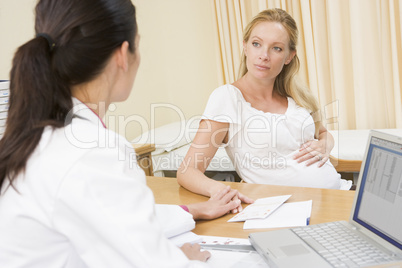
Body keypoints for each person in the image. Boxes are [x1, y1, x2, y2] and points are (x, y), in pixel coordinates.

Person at [0, 0, 241, 267]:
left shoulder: (38, 134)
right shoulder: (92, 150)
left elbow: (107, 214)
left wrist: (193, 210)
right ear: (122, 55)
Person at [177, 8, 352, 212]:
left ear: (289, 56)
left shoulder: (296, 97)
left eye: (276, 48)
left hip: (341, 195)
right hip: (291, 211)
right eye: (256, 44)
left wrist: (326, 144)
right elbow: (188, 170)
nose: (264, 56)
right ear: (245, 47)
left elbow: (322, 133)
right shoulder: (227, 97)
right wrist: (223, 190)